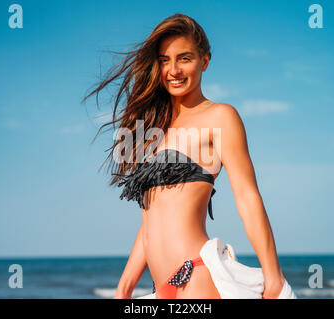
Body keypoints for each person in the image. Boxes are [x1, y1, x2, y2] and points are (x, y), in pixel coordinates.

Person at [82, 13, 286, 299]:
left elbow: (248, 198)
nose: (173, 70)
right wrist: (124, 288)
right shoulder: (151, 130)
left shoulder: (221, 117)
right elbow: (153, 217)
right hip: (159, 288)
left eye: (184, 58)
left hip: (195, 277)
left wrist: (273, 276)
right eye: (165, 60)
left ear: (204, 61)